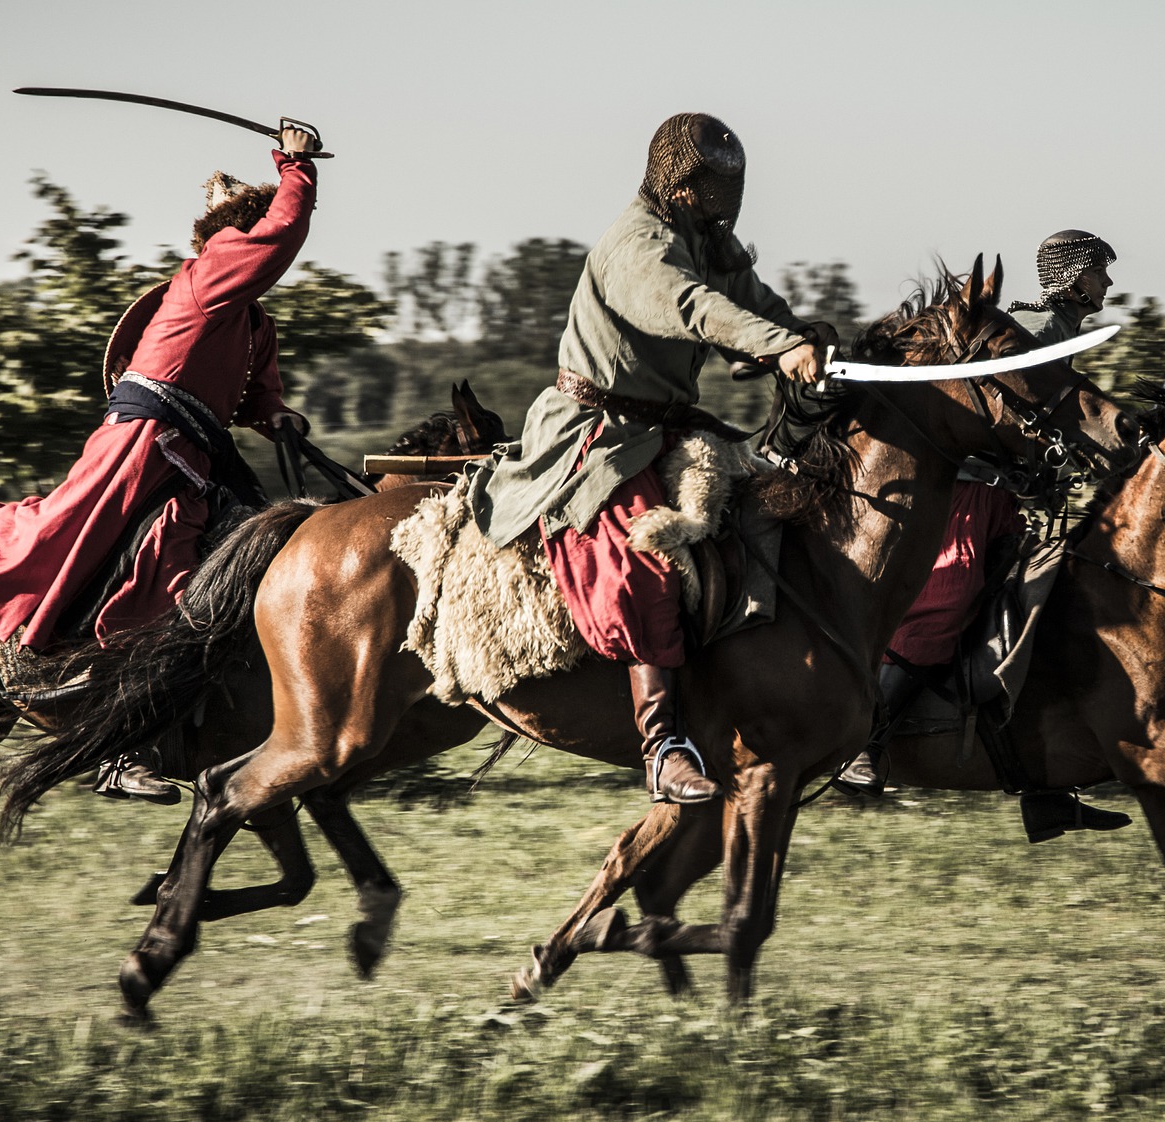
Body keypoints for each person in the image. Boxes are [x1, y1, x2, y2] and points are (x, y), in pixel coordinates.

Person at [0, 124, 322, 801]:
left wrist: (276, 417)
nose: (256, 240)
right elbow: (281, 237)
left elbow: (255, 394)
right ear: (235, 231)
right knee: (162, 569)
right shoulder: (215, 268)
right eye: (253, 226)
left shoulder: (253, 319)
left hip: (201, 449)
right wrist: (294, 165)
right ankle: (123, 746)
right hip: (147, 443)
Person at [469, 113, 832, 804]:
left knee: (771, 513)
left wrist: (800, 333)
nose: (729, 197)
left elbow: (747, 298)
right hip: (596, 433)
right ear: (681, 183)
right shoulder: (637, 244)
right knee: (644, 562)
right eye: (715, 184)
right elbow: (692, 306)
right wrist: (776, 347)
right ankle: (663, 745)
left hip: (667, 429)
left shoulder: (705, 238)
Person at [836, 228, 1128, 837]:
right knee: (944, 606)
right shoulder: (1041, 335)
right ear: (1073, 275)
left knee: (1041, 622)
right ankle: (864, 740)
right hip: (970, 492)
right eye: (1100, 271)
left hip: (1002, 501)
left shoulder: (1060, 329)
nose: (1107, 283)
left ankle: (1048, 786)